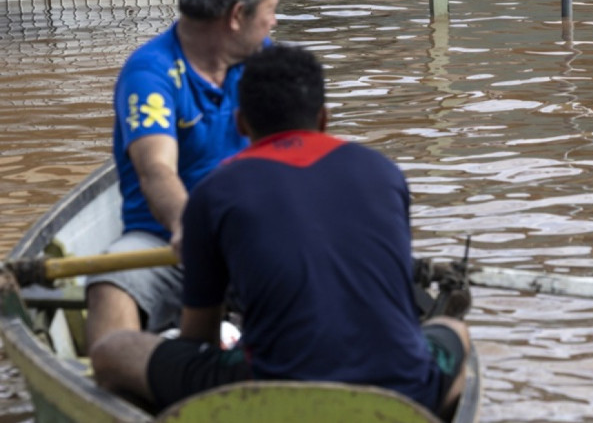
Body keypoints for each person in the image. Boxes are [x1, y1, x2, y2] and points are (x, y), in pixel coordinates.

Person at [90, 44, 471, 419]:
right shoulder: (384, 173)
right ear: (324, 118)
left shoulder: (215, 191)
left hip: (271, 388)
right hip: (404, 389)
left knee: (112, 351)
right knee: (455, 332)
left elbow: (198, 338)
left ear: (241, 123)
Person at [85, 0, 279, 352]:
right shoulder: (151, 72)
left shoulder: (265, 60)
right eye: (270, 12)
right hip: (165, 241)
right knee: (108, 289)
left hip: (252, 235)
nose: (273, 24)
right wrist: (191, 229)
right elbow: (157, 170)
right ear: (236, 16)